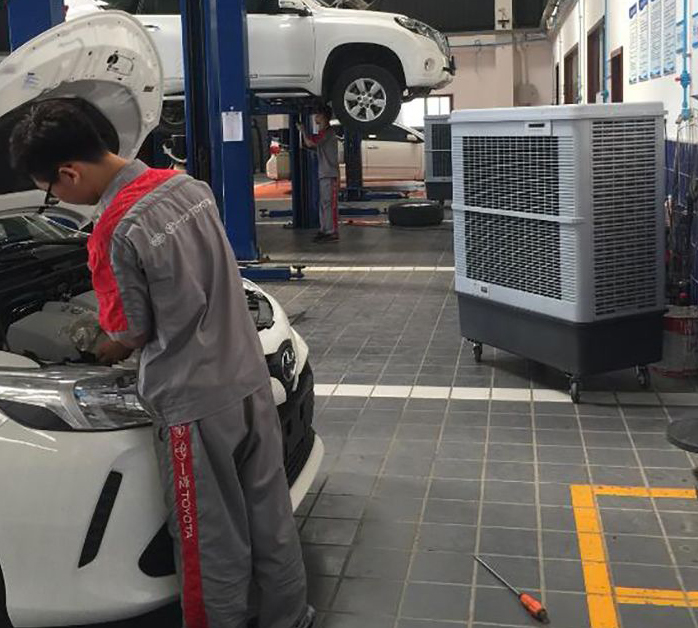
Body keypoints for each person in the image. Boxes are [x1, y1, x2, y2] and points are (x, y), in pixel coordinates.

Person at [10, 99, 313, 628]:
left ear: (69, 172)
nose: (57, 200)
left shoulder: (114, 230)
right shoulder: (188, 188)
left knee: (208, 539)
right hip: (247, 376)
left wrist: (97, 345)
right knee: (270, 514)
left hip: (194, 403)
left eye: (51, 190)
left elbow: (129, 332)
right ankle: (290, 618)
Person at [297, 106, 339, 242]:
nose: (316, 117)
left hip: (329, 173)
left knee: (329, 204)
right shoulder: (323, 133)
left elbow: (310, 143)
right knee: (324, 203)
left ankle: (332, 232)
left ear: (324, 117)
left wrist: (302, 131)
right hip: (324, 173)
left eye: (318, 114)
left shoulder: (327, 133)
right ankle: (324, 229)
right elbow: (313, 146)